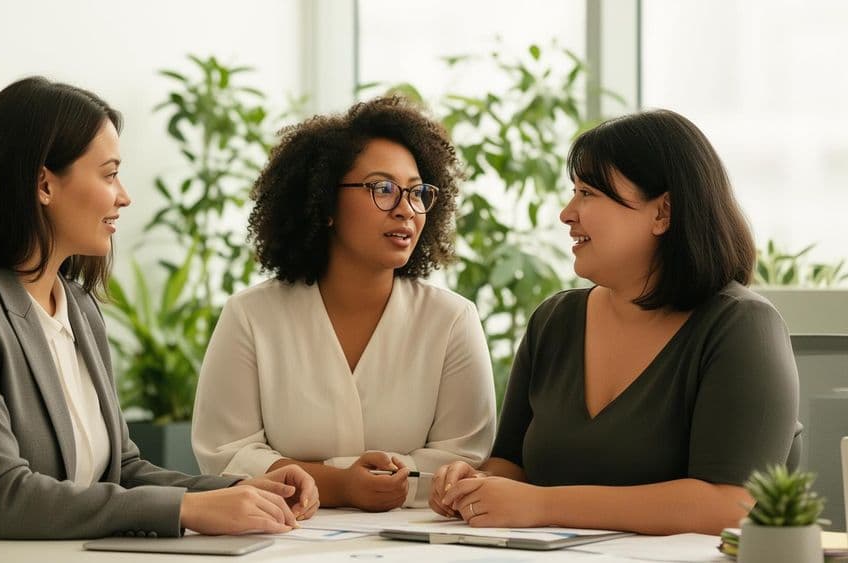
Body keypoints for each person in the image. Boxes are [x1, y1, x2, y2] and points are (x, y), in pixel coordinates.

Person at [0, 77, 318, 545]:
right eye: (109, 174)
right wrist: (190, 509)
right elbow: (3, 498)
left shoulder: (78, 308)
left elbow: (121, 471)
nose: (124, 196)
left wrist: (241, 490)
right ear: (44, 184)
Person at [430, 109, 800, 535]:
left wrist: (543, 504)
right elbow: (511, 466)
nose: (567, 213)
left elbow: (731, 504)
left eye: (588, 193)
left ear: (663, 212)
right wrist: (472, 486)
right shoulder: (554, 320)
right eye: (573, 192)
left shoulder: (741, 327)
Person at [191, 97, 496, 510]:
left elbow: (463, 459)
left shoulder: (452, 319)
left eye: (417, 192)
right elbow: (224, 454)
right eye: (383, 189)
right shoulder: (251, 316)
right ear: (325, 203)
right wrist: (341, 484)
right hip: (281, 538)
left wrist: (341, 477)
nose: (406, 210)